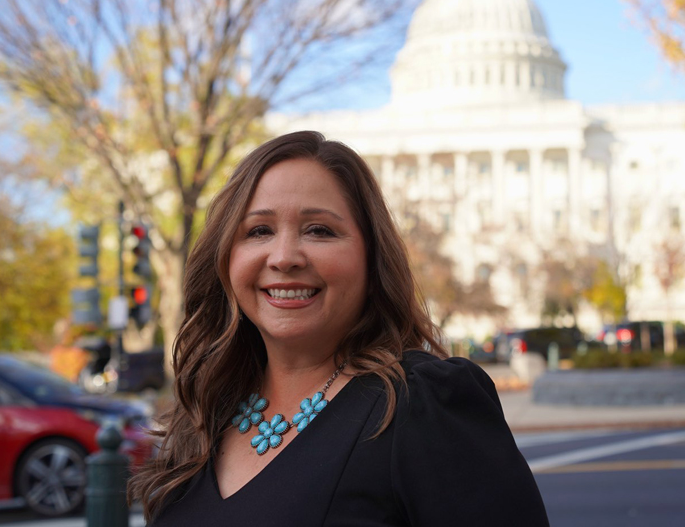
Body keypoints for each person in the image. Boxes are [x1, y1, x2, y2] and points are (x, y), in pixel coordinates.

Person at [129, 131, 549, 526]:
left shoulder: (422, 403)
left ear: (371, 258)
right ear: (225, 259)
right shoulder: (204, 413)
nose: (284, 257)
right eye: (259, 231)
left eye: (319, 230)